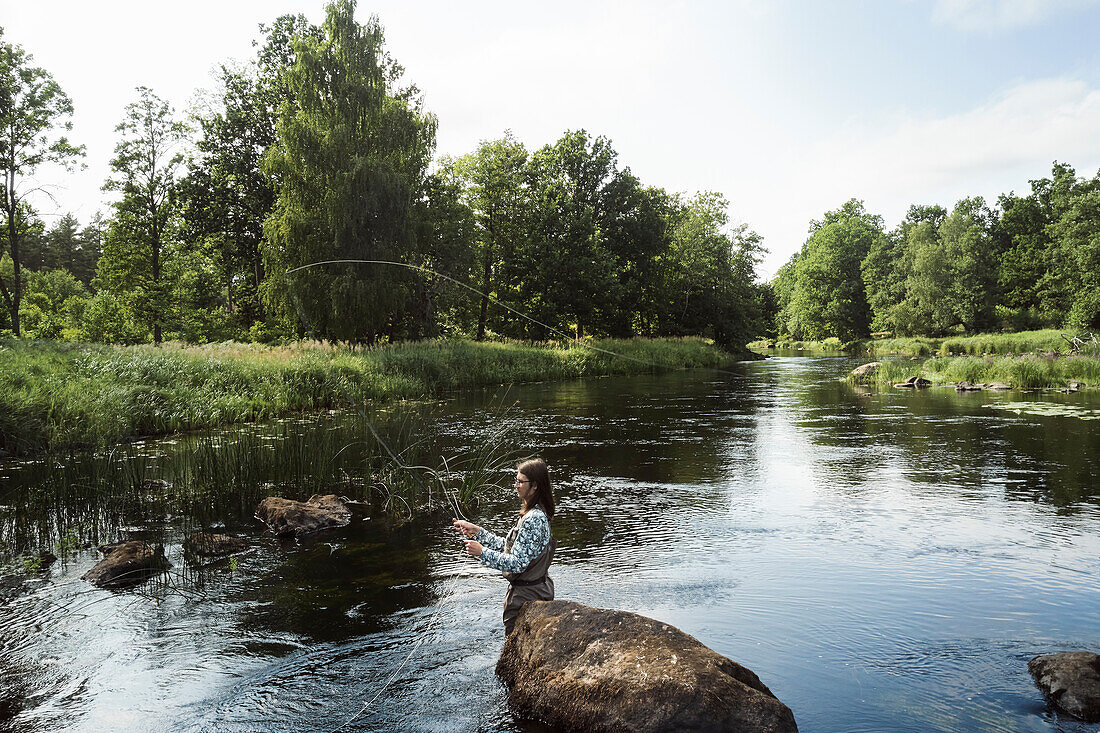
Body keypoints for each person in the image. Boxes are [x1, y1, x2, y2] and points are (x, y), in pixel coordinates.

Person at [452, 458, 556, 635]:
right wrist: (477, 531)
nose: (515, 485)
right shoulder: (534, 514)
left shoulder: (534, 519)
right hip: (532, 591)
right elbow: (510, 548)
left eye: (520, 481)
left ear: (535, 486)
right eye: (516, 480)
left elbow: (517, 563)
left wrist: (482, 552)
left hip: (527, 597)